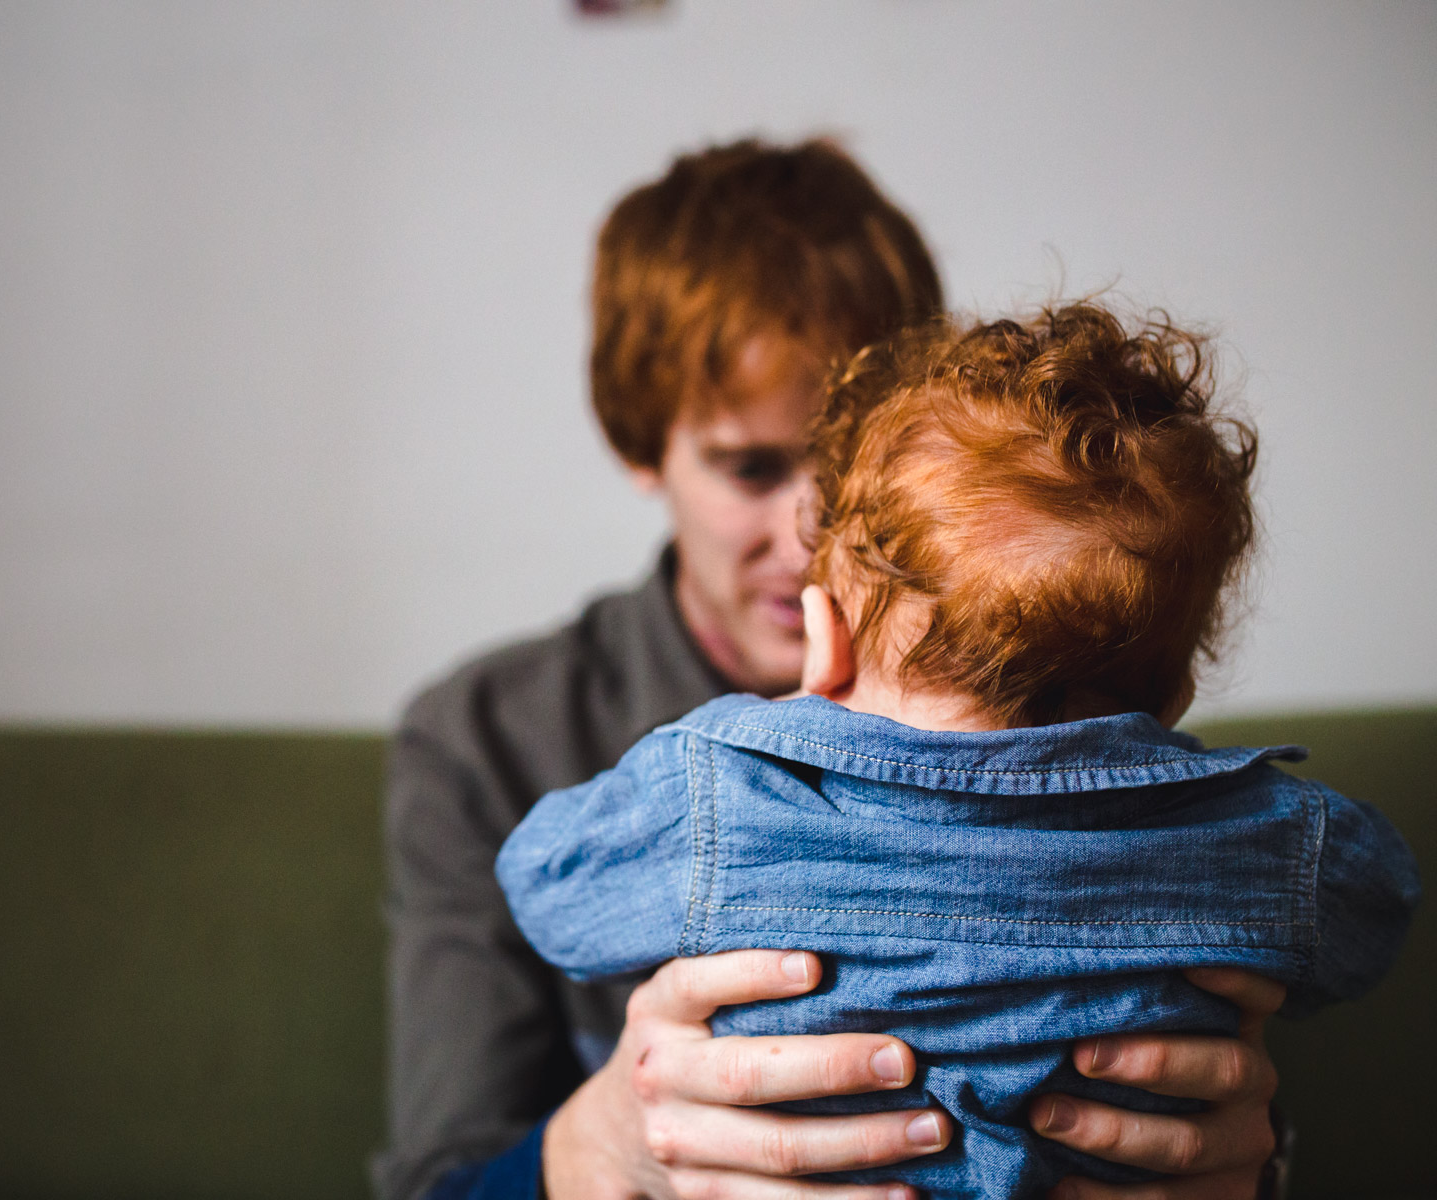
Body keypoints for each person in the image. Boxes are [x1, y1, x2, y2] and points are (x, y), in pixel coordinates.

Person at [378, 141, 1290, 1200]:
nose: (815, 529)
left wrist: (1237, 1160)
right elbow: (433, 1183)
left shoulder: (1092, 722)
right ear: (642, 446)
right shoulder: (488, 736)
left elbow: (1214, 1080)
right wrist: (607, 1146)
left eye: (848, 463)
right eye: (750, 467)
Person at [497, 301, 1422, 1198]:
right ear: (1178, 697)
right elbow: (1377, 912)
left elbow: (551, 891)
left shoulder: (722, 794)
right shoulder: (1258, 835)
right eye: (749, 466)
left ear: (827, 639)